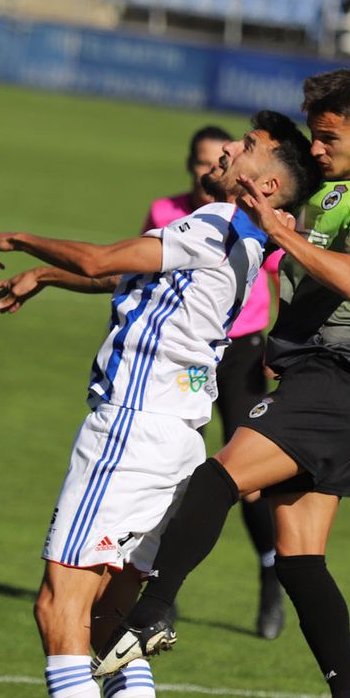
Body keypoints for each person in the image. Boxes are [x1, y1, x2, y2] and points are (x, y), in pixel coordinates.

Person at [0, 112, 315, 698]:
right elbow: (115, 276)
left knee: (57, 606)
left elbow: (104, 255)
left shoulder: (211, 224)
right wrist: (51, 278)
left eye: (248, 149)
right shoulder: (248, 240)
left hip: (129, 432)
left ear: (265, 183)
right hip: (178, 438)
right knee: (114, 621)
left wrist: (24, 239)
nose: (228, 149)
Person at [95, 69, 350, 698]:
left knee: (217, 477)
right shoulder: (332, 188)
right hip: (324, 385)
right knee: (300, 558)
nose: (318, 148)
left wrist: (281, 233)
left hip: (331, 383)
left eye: (329, 136)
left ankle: (153, 613)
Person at [144, 125, 287, 640]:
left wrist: (280, 343)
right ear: (191, 164)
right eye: (203, 159)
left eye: (222, 156)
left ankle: (271, 577)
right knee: (177, 467)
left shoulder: (252, 218)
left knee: (246, 480)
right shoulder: (165, 212)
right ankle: (160, 588)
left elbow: (281, 270)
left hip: (243, 348)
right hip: (187, 353)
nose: (213, 165)